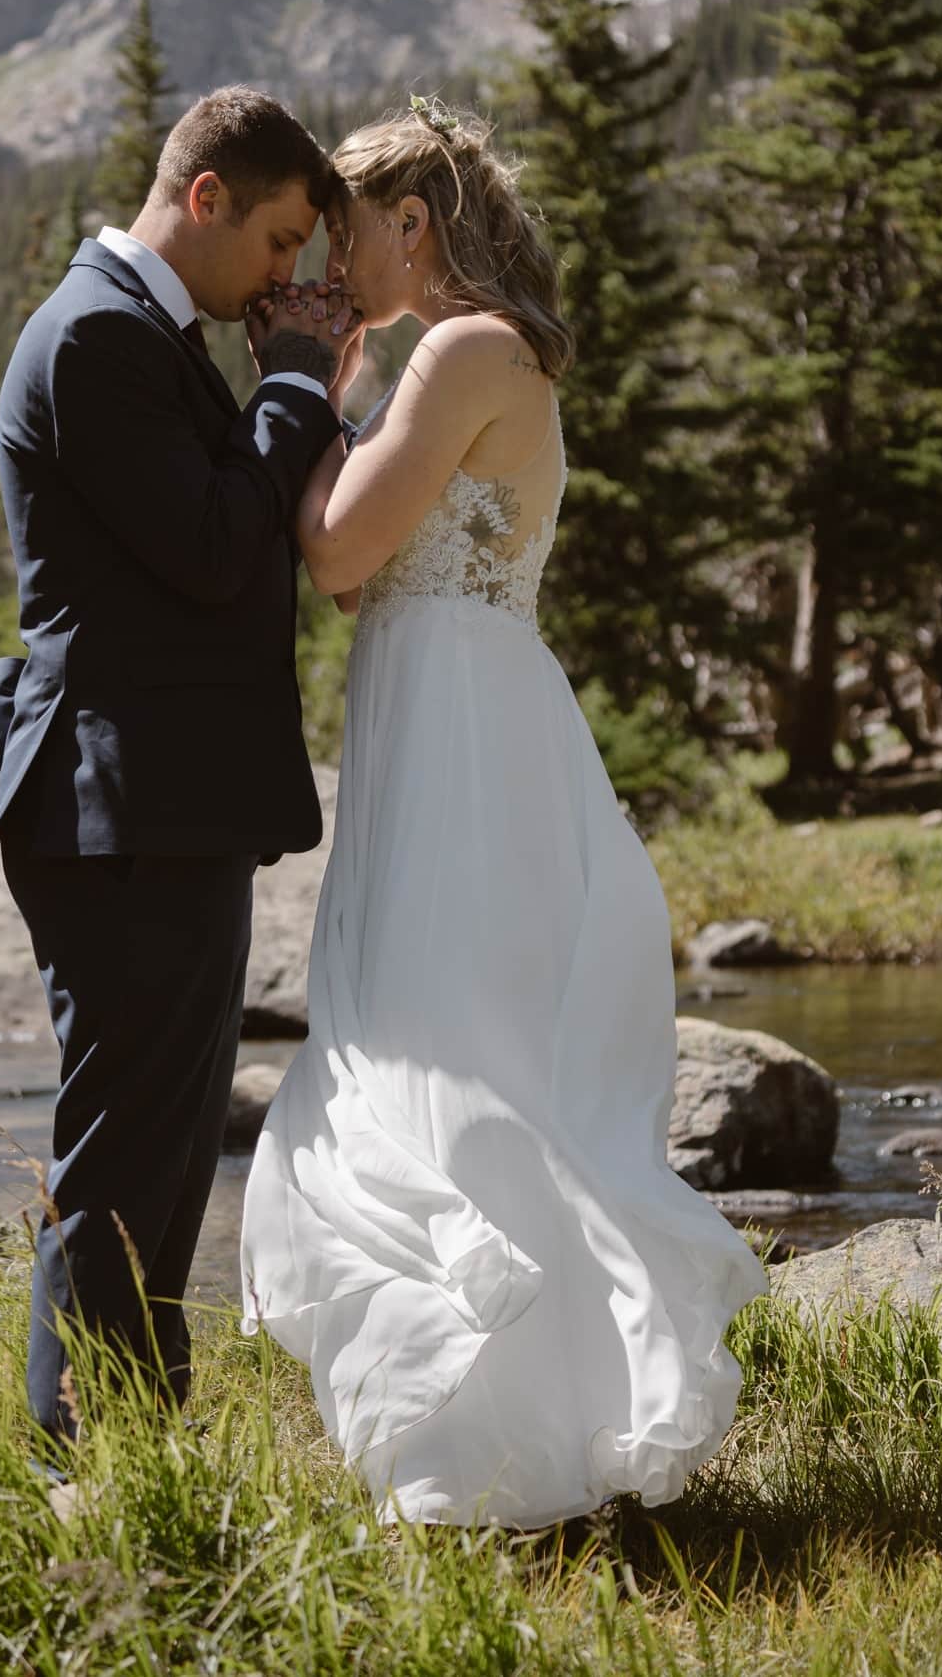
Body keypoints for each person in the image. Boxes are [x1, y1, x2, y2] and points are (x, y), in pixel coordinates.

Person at [238, 99, 768, 1530]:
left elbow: (343, 551)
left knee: (442, 1064)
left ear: (415, 224)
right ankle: (509, 1441)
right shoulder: (477, 352)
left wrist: (312, 384)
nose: (339, 266)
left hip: (463, 737)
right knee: (448, 1059)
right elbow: (359, 570)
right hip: (455, 716)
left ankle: (489, 1449)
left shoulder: (465, 349)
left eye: (349, 236)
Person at [0, 85, 363, 1468]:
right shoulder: (92, 339)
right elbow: (208, 543)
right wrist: (298, 388)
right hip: (113, 807)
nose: (288, 278)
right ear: (206, 201)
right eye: (280, 241)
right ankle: (84, 1465)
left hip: (159, 806)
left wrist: (286, 393)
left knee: (165, 1145)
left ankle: (126, 1449)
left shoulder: (137, 331)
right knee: (125, 1150)